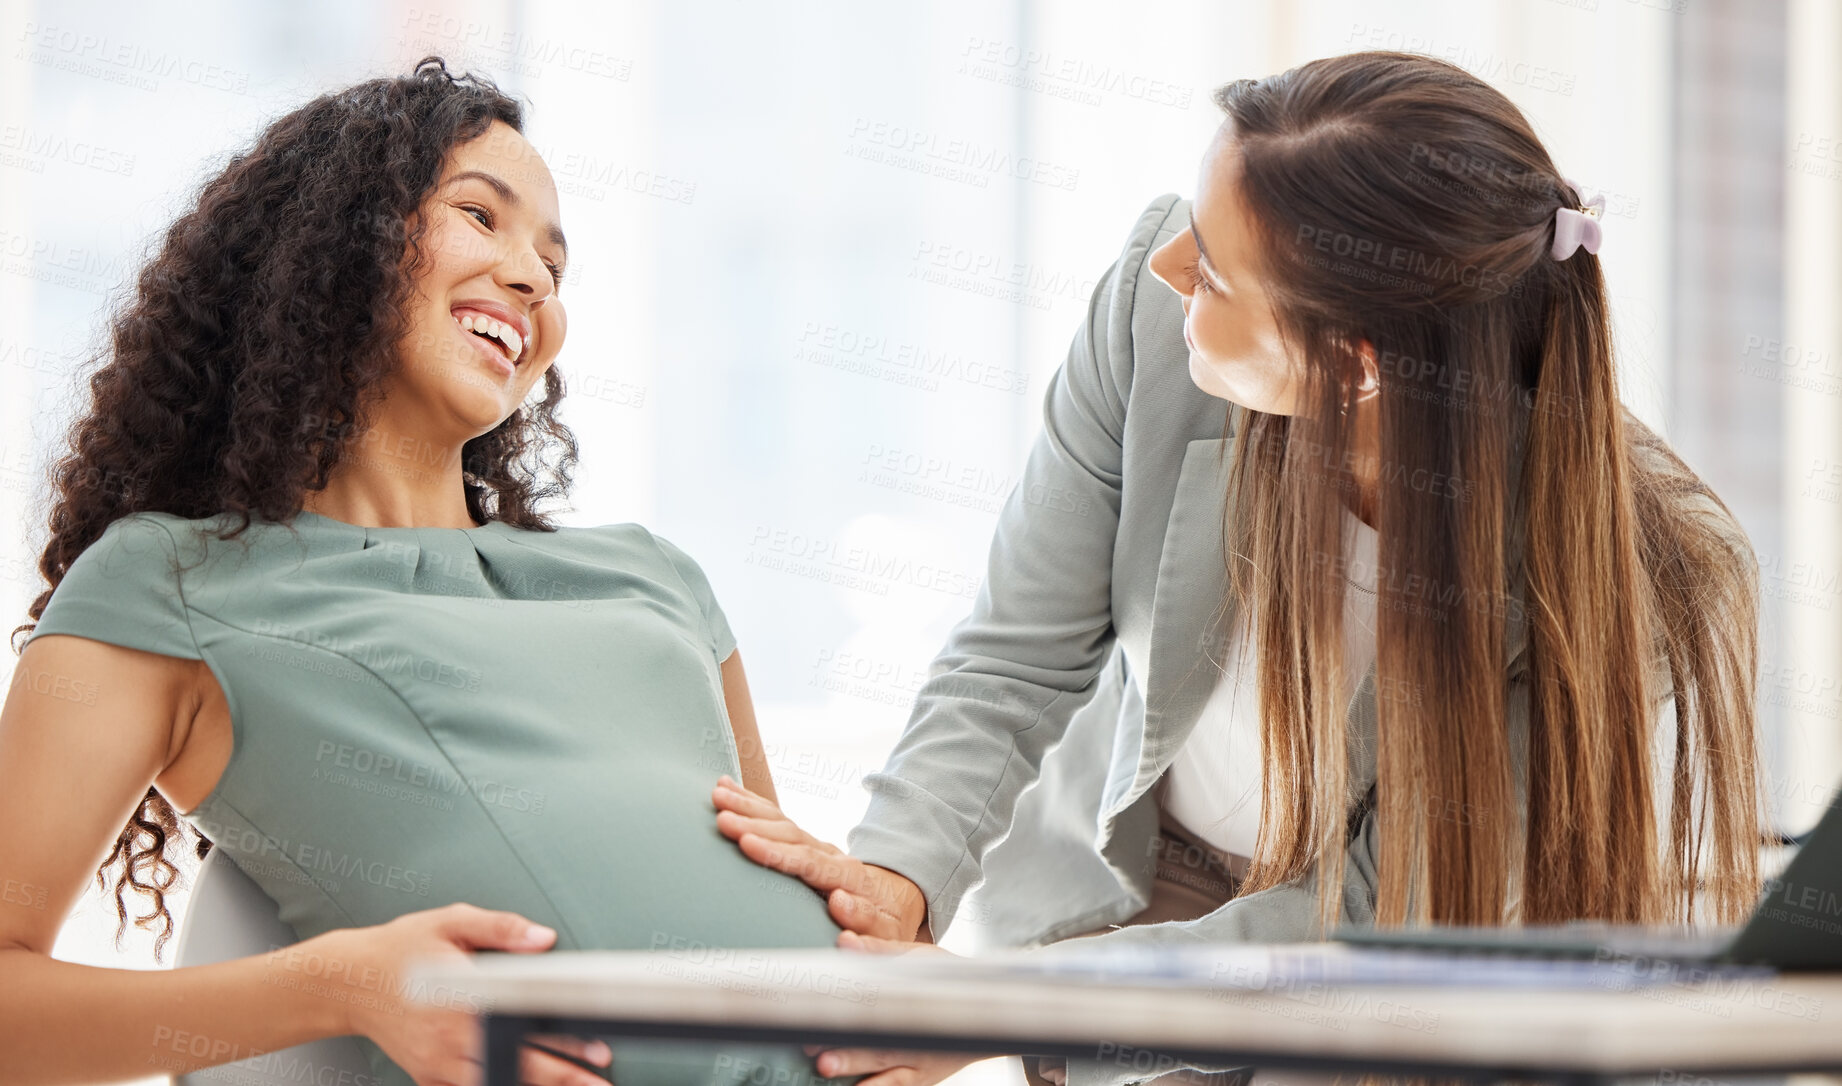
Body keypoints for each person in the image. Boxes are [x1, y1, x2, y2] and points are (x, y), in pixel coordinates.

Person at [711, 50, 1764, 1086]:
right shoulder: (1151, 312)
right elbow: (1015, 656)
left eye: (1212, 269)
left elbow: (1363, 924)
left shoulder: (1649, 574)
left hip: (1372, 952)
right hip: (1124, 885)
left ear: (1353, 364)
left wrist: (990, 1009)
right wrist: (891, 885)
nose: (1168, 264)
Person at [0, 57, 858, 1086]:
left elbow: (809, 891)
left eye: (554, 262)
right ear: (333, 243)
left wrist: (915, 980)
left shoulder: (655, 578)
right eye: (480, 216)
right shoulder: (171, 583)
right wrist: (341, 986)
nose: (534, 278)